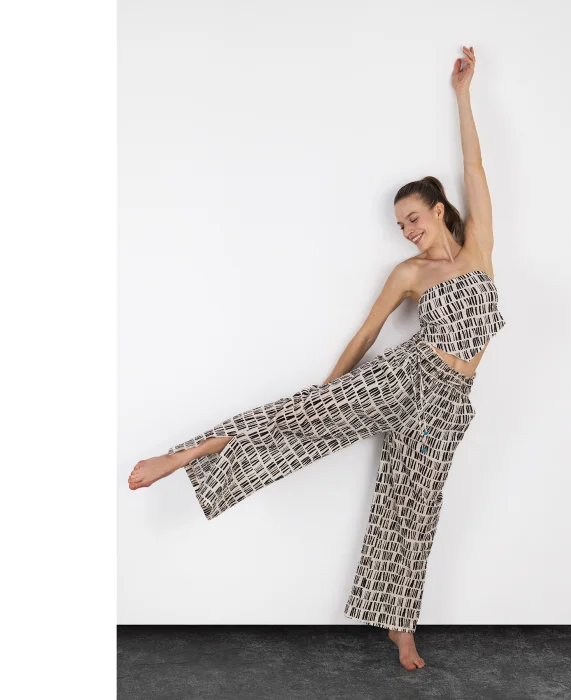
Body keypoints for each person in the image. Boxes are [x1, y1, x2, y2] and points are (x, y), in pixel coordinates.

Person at [128, 46, 505, 671]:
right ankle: (186, 454)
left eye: (413, 218)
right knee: (301, 420)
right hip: (406, 376)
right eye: (400, 225)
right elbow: (366, 335)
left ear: (439, 210)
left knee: (414, 510)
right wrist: (329, 390)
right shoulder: (408, 273)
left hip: (448, 407)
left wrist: (463, 96)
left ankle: (401, 626)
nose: (408, 231)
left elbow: (475, 165)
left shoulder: (479, 252)